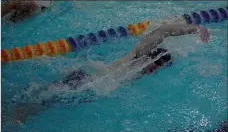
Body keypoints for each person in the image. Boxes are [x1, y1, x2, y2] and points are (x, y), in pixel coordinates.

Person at [10, 22, 209, 124]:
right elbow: (162, 31)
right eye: (153, 66)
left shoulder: (140, 75)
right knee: (39, 102)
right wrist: (195, 28)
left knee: (44, 102)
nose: (151, 71)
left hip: (89, 90)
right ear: (151, 59)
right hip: (84, 80)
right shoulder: (137, 57)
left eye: (156, 70)